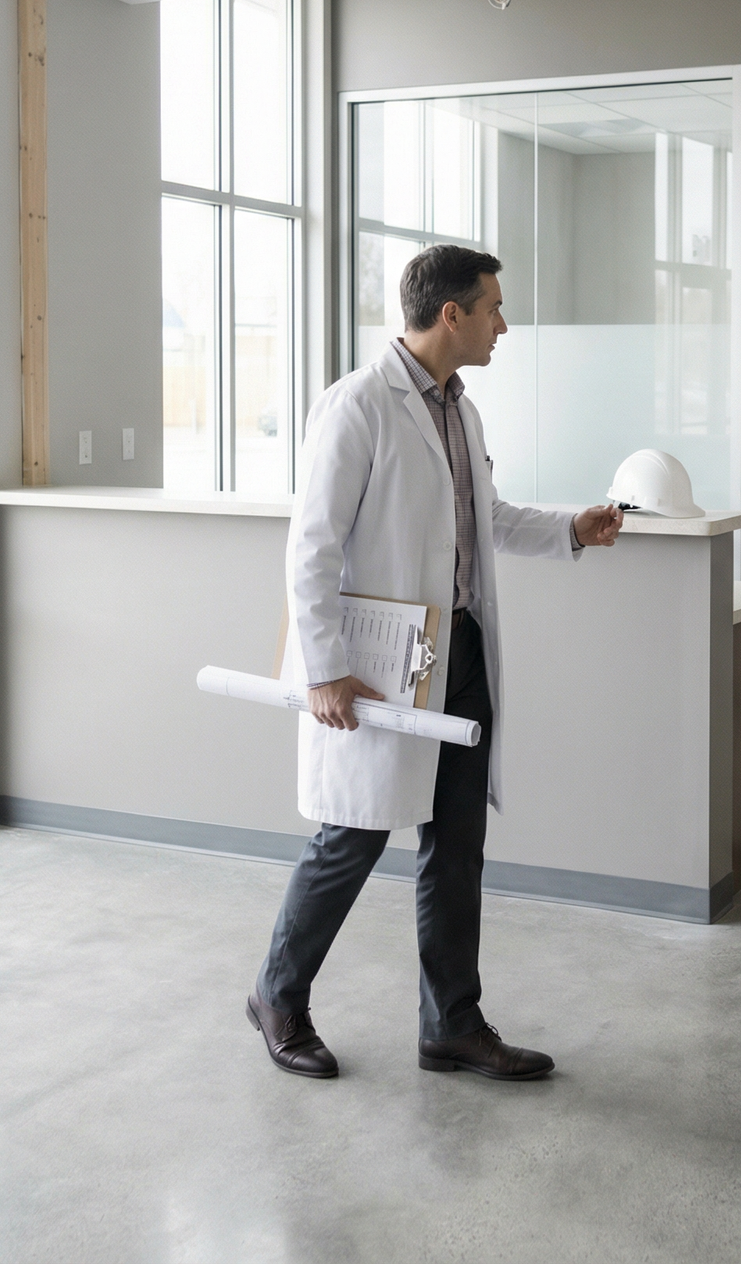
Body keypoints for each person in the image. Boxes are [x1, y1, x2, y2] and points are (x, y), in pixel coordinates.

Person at [246, 244, 624, 1082]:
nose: (502, 326)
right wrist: (323, 669)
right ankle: (277, 995)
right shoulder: (357, 406)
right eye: (493, 308)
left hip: (460, 652)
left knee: (457, 844)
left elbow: (484, 518)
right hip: (380, 662)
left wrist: (570, 529)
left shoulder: (462, 411)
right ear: (451, 314)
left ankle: (452, 1021)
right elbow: (311, 547)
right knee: (352, 834)